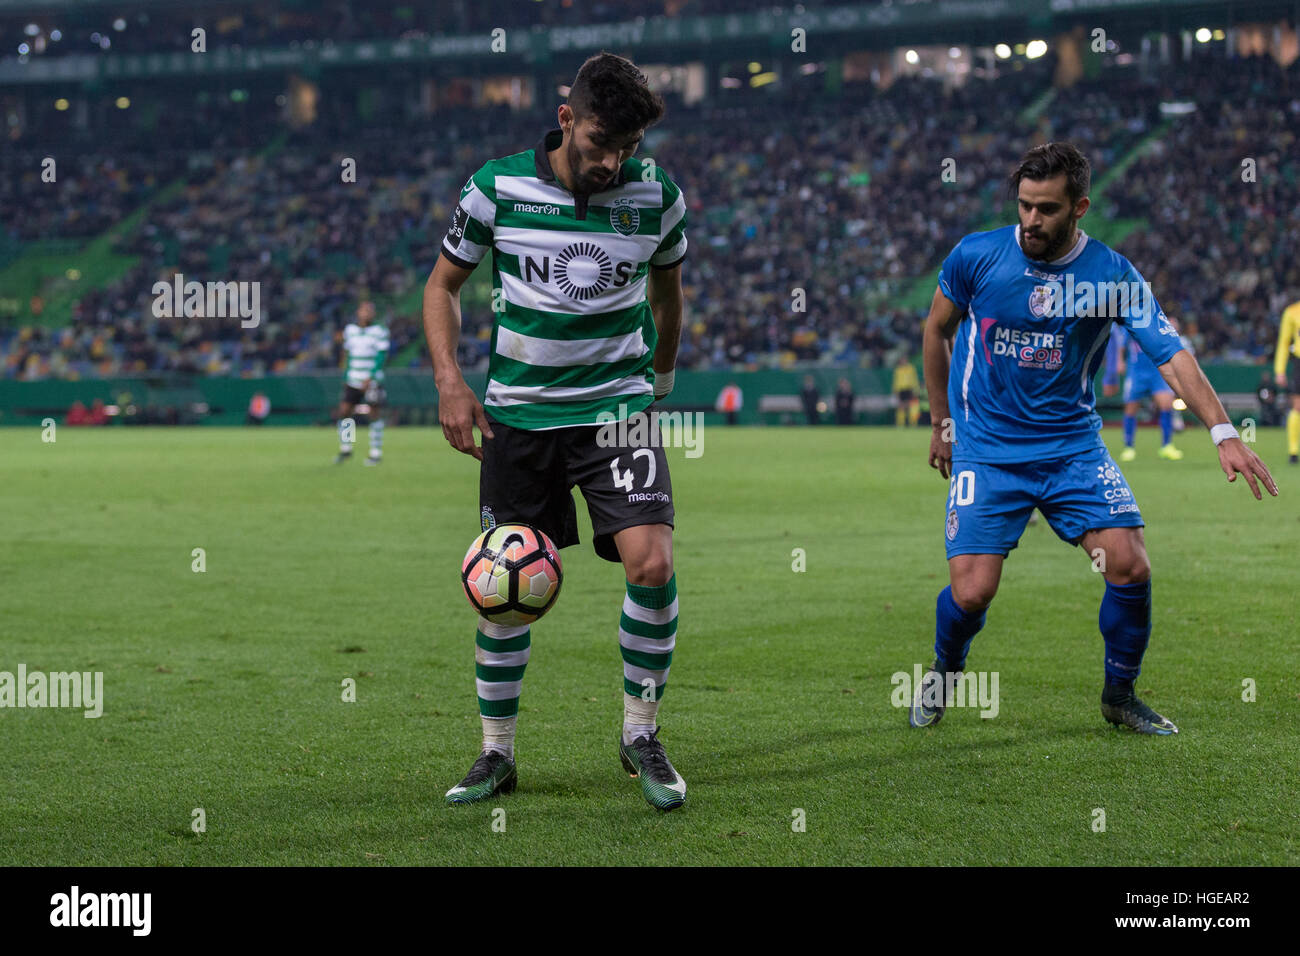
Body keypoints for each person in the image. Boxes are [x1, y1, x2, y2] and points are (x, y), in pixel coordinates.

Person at [915, 142, 1277, 736]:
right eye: (1025, 206)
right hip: (988, 449)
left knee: (1130, 566)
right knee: (974, 592)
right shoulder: (975, 256)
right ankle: (946, 668)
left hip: (1072, 450)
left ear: (1079, 207)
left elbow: (1171, 354)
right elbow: (936, 331)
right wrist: (941, 423)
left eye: (1048, 209)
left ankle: (1120, 694)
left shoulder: (1110, 274)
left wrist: (1222, 432)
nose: (1032, 220)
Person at [425, 53, 688, 810]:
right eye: (601, 141)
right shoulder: (495, 186)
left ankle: (641, 734)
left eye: (627, 148)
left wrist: (659, 382)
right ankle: (496, 754)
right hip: (519, 417)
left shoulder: (657, 196)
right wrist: (449, 380)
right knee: (501, 591)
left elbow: (668, 297)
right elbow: (442, 286)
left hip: (615, 413)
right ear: (566, 118)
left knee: (651, 563)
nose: (613, 162)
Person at [1102, 324, 1182, 461]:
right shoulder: (1131, 324)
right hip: (1136, 372)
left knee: (1166, 405)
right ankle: (1129, 447)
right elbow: (1121, 344)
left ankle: (1167, 446)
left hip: (1157, 371)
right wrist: (1120, 361)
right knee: (1130, 409)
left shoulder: (1157, 322)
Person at [334, 300, 389, 466]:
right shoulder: (350, 331)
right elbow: (347, 355)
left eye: (370, 310)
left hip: (372, 380)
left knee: (374, 413)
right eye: (364, 310)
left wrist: (370, 376)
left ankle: (375, 452)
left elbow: (381, 356)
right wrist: (345, 376)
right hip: (353, 378)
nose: (367, 313)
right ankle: (346, 448)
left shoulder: (380, 331)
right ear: (358, 312)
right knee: (344, 412)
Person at [1273, 296, 1300, 464]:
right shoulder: (1292, 312)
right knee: (1297, 406)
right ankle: (1293, 451)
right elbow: (1284, 342)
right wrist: (1280, 370)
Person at [892, 354, 921, 427]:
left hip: (910, 389)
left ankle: (913, 423)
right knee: (901, 407)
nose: (903, 361)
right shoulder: (898, 370)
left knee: (912, 407)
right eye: (902, 360)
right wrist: (895, 390)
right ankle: (900, 424)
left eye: (905, 360)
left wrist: (916, 389)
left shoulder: (911, 368)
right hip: (901, 389)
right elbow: (896, 381)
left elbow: (915, 379)